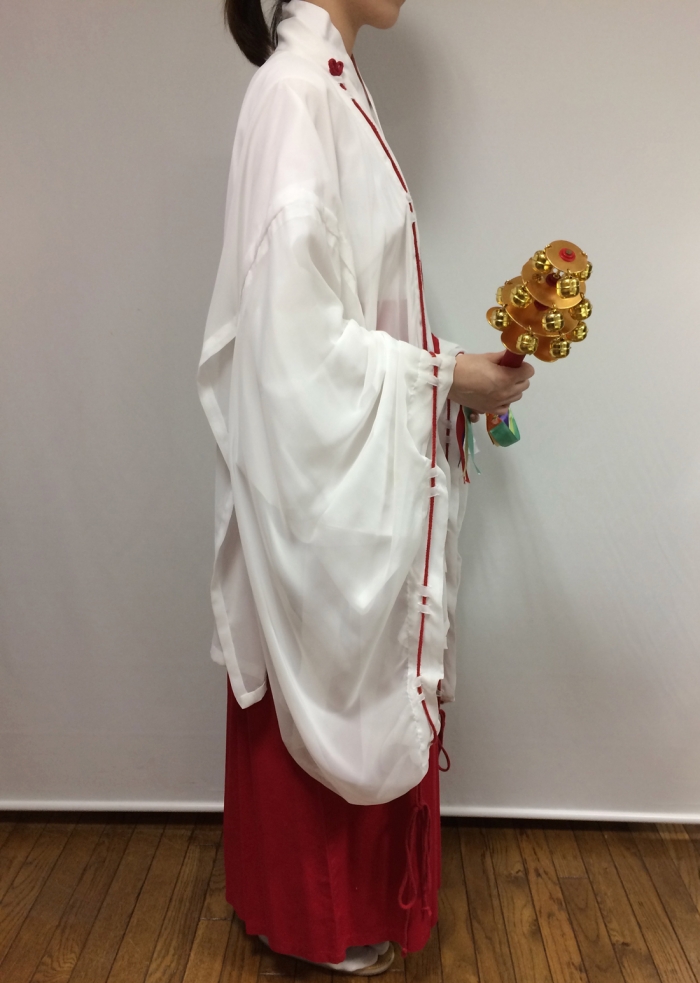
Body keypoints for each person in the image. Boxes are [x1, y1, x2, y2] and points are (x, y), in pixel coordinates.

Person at [197, 0, 534, 974]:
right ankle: (313, 915)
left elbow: (347, 312)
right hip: (313, 482)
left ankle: (333, 909)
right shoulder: (294, 95)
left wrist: (449, 370)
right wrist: (442, 377)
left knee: (351, 660)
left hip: (343, 473)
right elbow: (292, 342)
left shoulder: (334, 89)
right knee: (324, 662)